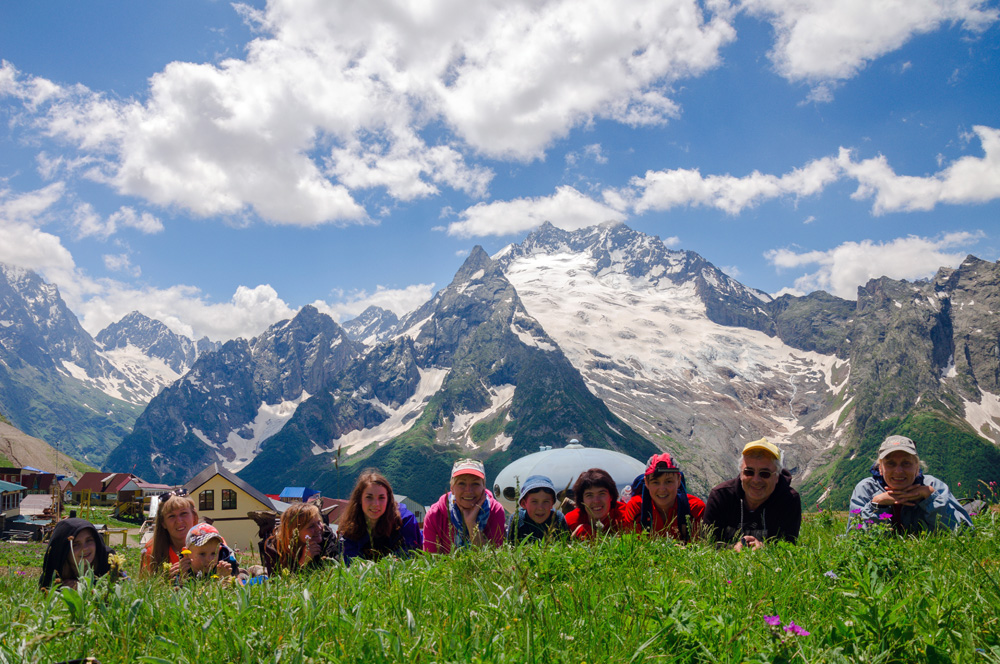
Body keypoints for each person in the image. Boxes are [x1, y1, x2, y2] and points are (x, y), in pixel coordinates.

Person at [847, 435, 973, 534]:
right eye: (891, 463)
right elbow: (853, 537)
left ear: (917, 467)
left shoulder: (933, 486)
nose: (898, 471)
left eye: (906, 463)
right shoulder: (866, 489)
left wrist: (931, 498)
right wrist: (875, 505)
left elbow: (965, 531)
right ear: (880, 468)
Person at [703, 438, 801, 551]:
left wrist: (765, 550)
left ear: (777, 476)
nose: (756, 480)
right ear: (740, 474)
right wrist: (732, 549)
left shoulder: (788, 500)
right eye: (749, 472)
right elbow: (707, 544)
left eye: (765, 474)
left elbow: (789, 547)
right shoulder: (720, 496)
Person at [339, 470, 423, 565]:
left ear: (388, 499)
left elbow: (409, 556)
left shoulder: (405, 520)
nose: (375, 504)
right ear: (359, 499)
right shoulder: (349, 526)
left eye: (381, 498)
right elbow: (349, 562)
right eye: (369, 497)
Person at [423, 458, 506, 553]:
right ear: (452, 488)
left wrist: (471, 524)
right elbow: (431, 561)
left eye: (475, 484)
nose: (468, 490)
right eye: (461, 483)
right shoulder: (435, 515)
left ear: (483, 487)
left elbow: (493, 560)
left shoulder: (495, 511)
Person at [623, 452, 705, 543]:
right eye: (655, 482)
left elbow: (697, 548)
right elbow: (632, 545)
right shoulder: (636, 507)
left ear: (678, 481)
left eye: (668, 481)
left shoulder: (696, 508)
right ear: (646, 483)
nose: (662, 489)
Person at [262, 501, 340, 574]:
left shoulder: (326, 537)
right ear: (294, 532)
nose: (319, 528)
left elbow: (334, 570)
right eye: (311, 526)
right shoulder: (275, 548)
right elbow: (279, 582)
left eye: (319, 522)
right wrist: (303, 562)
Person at [39, 518, 114, 590]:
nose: (84, 548)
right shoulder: (55, 568)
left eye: (89, 540)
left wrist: (84, 587)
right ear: (63, 550)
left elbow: (120, 586)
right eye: (75, 544)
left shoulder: (108, 559)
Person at [141, 491, 199, 576]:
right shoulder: (151, 551)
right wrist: (167, 582)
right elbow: (144, 587)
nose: (179, 521)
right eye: (171, 516)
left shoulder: (212, 542)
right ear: (163, 523)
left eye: (183, 513)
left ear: (194, 516)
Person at [564, 468, 629, 539]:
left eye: (602, 494)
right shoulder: (571, 521)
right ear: (582, 500)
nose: (596, 501)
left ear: (611, 496)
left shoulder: (626, 516)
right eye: (589, 495)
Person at [507, 475, 570, 543]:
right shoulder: (517, 519)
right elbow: (512, 549)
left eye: (546, 501)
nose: (540, 508)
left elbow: (565, 547)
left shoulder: (558, 518)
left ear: (552, 504)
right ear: (523, 504)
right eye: (534, 502)